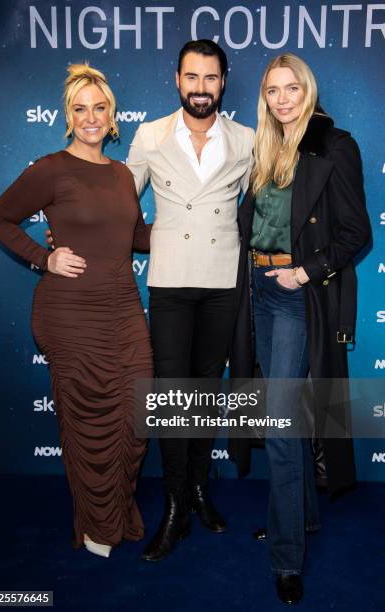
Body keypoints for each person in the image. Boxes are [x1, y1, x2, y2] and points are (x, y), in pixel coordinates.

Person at [0, 63, 152, 558]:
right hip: (70, 314)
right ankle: (98, 525)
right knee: (87, 425)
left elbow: (137, 238)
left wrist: (192, 220)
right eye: (80, 109)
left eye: (99, 108)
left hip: (124, 310)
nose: (90, 118)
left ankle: (116, 509)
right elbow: (0, 218)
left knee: (136, 414)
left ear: (112, 115)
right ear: (68, 116)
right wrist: (45, 257)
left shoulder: (123, 174)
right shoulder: (51, 168)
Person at [231, 53, 371, 603]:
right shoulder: (263, 149)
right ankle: (300, 518)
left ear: (307, 91)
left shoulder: (335, 145)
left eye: (292, 88)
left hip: (294, 297)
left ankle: (286, 558)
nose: (283, 99)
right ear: (264, 97)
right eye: (272, 90)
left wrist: (306, 272)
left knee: (283, 427)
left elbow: (356, 232)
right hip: (258, 291)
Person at [126, 40, 255, 561]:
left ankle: (198, 488)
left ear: (223, 82)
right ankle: (176, 505)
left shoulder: (246, 139)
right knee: (172, 396)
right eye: (191, 78)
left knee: (205, 393)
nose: (201, 88)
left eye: (211, 78)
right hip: (172, 282)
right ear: (177, 80)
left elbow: (253, 204)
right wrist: (71, 233)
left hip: (223, 282)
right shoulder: (150, 135)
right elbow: (120, 203)